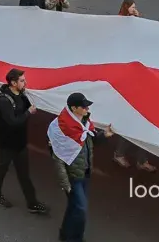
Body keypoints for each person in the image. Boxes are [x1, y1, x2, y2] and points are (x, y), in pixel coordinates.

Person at [48, 93, 114, 242]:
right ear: (74, 108)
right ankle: (75, 238)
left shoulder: (85, 123)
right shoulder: (60, 128)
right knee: (81, 209)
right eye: (84, 107)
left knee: (74, 207)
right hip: (73, 177)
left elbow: (91, 141)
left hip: (85, 172)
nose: (87, 109)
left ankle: (65, 234)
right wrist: (65, 184)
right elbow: (58, 159)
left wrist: (104, 135)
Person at [0, 69, 47, 213]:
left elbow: (26, 109)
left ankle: (32, 203)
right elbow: (13, 122)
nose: (25, 83)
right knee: (1, 169)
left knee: (24, 174)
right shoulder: (4, 100)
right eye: (22, 80)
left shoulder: (22, 95)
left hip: (20, 144)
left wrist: (31, 108)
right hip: (6, 144)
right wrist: (29, 112)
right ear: (13, 83)